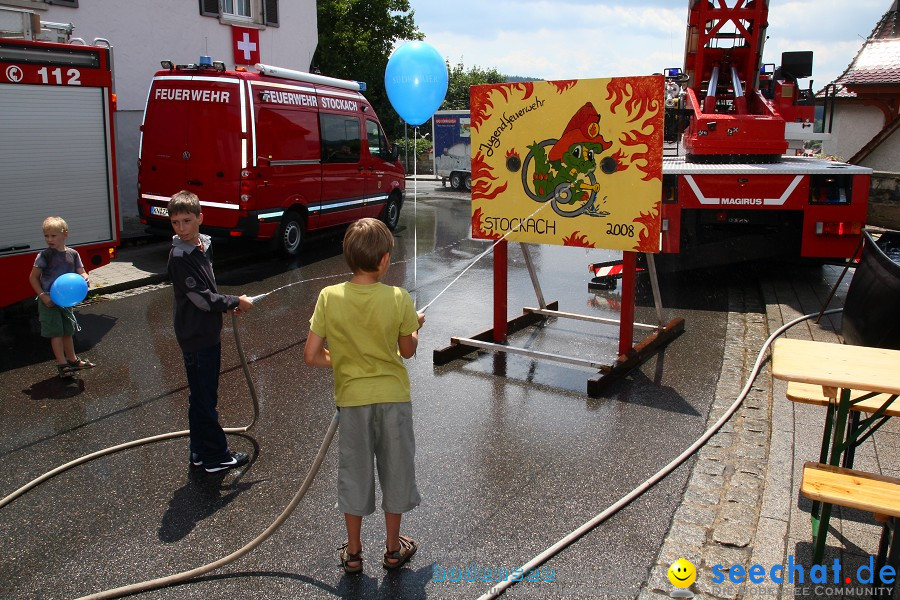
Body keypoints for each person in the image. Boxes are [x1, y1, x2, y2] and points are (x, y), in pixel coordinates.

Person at [304, 217, 425, 574]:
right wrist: (414, 327)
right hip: (393, 399)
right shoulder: (398, 298)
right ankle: (391, 549)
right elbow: (407, 351)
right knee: (396, 469)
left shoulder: (329, 297)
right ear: (385, 260)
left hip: (352, 401)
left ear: (347, 257)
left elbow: (311, 356)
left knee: (354, 473)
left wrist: (344, 362)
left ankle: (354, 553)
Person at [166, 190, 254, 474]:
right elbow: (202, 298)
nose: (181, 228)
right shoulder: (180, 256)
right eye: (176, 222)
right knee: (205, 399)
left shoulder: (202, 246)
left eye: (187, 221)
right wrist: (233, 302)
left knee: (200, 396)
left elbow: (209, 289)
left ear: (200, 219)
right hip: (197, 337)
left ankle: (199, 451)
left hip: (205, 331)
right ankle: (216, 456)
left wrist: (227, 307)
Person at [28, 216, 95, 379]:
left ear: (65, 234)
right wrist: (43, 296)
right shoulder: (44, 255)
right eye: (46, 236)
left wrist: (85, 277)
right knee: (56, 333)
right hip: (49, 301)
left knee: (68, 331)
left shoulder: (73, 254)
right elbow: (33, 278)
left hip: (66, 301)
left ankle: (72, 360)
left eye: (53, 235)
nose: (49, 239)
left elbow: (81, 271)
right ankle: (62, 364)